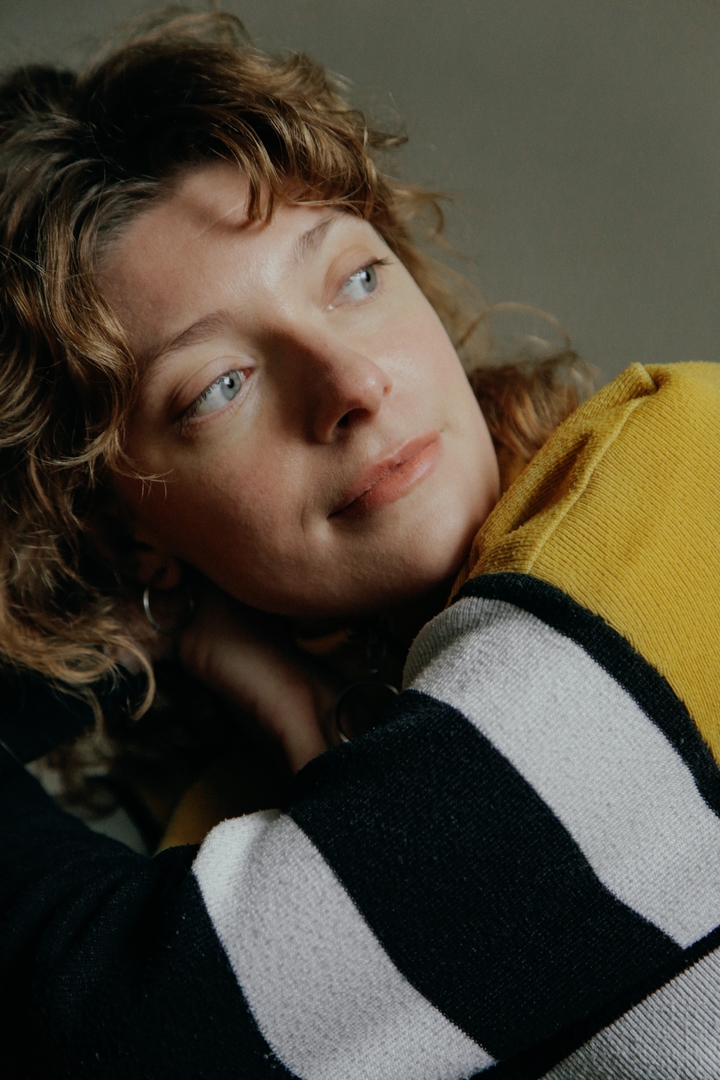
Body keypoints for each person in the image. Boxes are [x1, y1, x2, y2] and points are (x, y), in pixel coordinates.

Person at [2, 8, 720, 1079]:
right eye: (221, 386)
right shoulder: (242, 827)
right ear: (126, 528)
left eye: (355, 279)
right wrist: (179, 640)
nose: (353, 382)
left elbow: (144, 1031)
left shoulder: (685, 472)